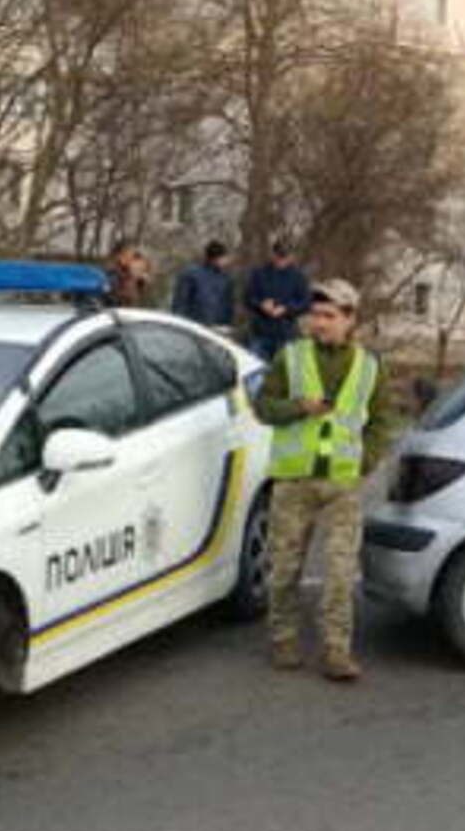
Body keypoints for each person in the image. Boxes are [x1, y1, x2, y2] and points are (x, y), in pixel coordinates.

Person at [255, 279, 399, 681]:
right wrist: (298, 407)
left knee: (339, 572)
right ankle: (283, 638)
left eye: (329, 316)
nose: (319, 324)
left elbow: (382, 421)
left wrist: (364, 463)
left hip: (341, 484)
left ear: (350, 320)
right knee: (284, 567)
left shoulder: (369, 367)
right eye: (315, 315)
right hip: (295, 480)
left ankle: (336, 650)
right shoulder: (291, 357)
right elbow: (263, 407)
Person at [245, 241, 311, 362]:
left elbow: (305, 303)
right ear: (272, 254)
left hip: (286, 333)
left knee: (284, 372)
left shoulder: (298, 277)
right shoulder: (259, 274)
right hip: (261, 332)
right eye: (279, 256)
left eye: (284, 256)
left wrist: (287, 309)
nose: (281, 260)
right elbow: (248, 298)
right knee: (255, 369)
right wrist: (261, 305)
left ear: (291, 256)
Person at [171, 240, 236, 332]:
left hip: (218, 329)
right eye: (225, 257)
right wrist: (181, 325)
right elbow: (180, 302)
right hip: (194, 327)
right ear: (216, 258)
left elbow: (228, 305)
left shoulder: (226, 278)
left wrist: (227, 324)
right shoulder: (191, 274)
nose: (227, 261)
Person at [106, 240, 152, 308]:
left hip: (126, 290)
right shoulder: (126, 260)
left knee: (126, 304)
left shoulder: (135, 262)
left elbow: (140, 278)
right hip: (123, 290)